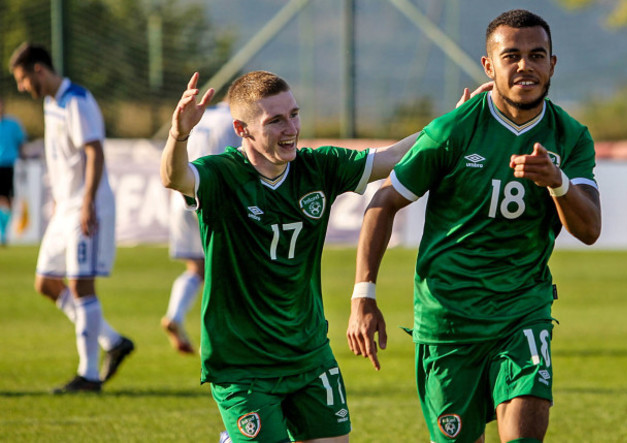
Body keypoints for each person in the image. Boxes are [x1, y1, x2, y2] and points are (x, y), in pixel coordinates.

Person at [161, 70, 493, 442]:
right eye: (275, 121)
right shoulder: (220, 175)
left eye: (294, 114)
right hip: (242, 363)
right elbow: (175, 178)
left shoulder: (318, 167)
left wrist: (452, 122)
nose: (291, 128)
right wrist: (179, 134)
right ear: (242, 129)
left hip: (309, 353)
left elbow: (395, 157)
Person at [347, 9, 601, 443]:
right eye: (512, 56)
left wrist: (557, 183)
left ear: (552, 64)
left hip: (522, 310)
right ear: (489, 66)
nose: (525, 66)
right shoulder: (453, 131)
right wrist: (363, 296)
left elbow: (590, 228)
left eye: (537, 55)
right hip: (449, 320)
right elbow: (384, 202)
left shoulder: (570, 136)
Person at [9, 43, 134, 394]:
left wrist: (87, 202)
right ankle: (112, 340)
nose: (22, 88)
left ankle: (89, 375)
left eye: (22, 80)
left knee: (81, 285)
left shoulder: (76, 100)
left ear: (38, 70)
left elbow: (94, 152)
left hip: (85, 205)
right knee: (46, 282)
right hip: (64, 208)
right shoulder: (52, 104)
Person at [161, 99, 240, 354]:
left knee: (196, 268)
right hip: (214, 194)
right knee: (229, 269)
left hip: (181, 194)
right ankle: (228, 334)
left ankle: (175, 314)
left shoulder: (200, 116)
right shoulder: (236, 122)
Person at [0, 97, 26, 246]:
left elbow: (21, 143)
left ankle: (4, 230)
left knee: (9, 199)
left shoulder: (13, 124)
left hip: (9, 165)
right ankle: (2, 230)